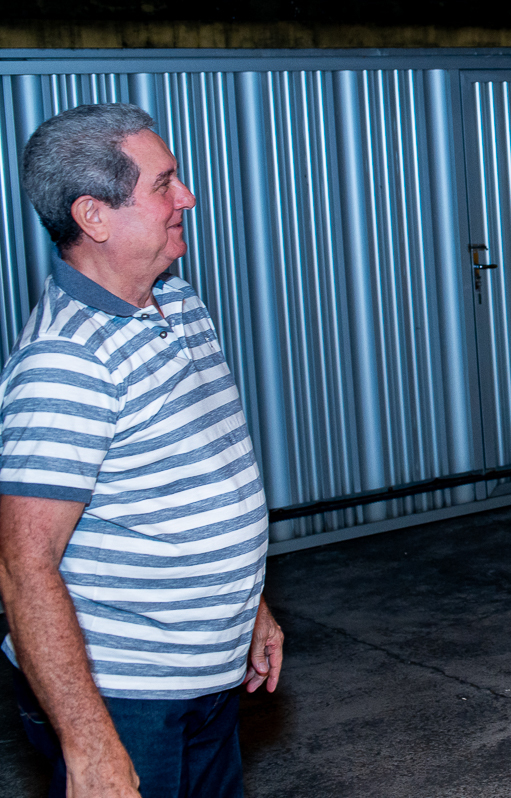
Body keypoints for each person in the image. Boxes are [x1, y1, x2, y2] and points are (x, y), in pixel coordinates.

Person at [0, 103, 282, 798]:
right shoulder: (65, 363)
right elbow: (22, 568)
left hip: (205, 678)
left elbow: (197, 482)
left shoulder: (177, 303)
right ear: (93, 216)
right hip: (124, 699)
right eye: (163, 184)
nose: (187, 197)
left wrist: (247, 604)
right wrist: (90, 742)